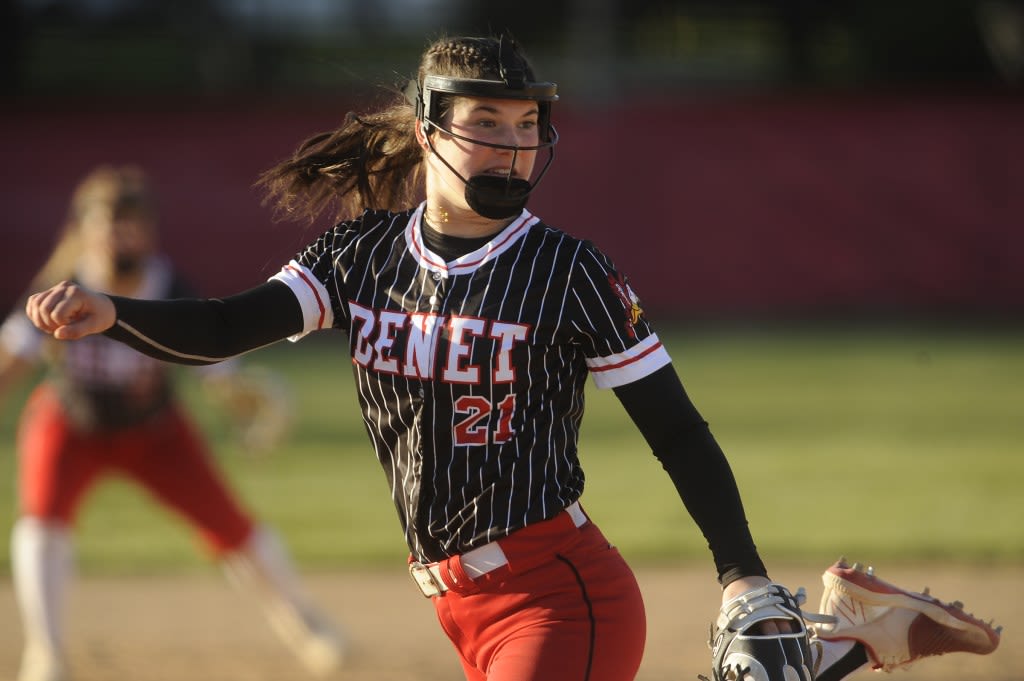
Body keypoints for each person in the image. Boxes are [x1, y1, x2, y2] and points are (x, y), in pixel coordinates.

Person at [20, 36, 1000, 681]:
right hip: (459, 606)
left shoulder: (568, 272)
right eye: (484, 125)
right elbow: (233, 325)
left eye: (526, 128)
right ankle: (839, 643)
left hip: (556, 590)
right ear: (426, 133)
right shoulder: (360, 254)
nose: (510, 148)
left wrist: (740, 572)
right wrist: (112, 312)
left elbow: (675, 429)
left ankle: (816, 640)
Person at [0, 165, 345, 681]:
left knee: (233, 528)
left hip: (153, 431)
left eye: (131, 222)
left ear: (150, 230)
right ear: (84, 229)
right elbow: (13, 359)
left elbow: (214, 365)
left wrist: (245, 401)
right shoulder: (62, 286)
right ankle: (45, 652)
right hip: (72, 424)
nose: (120, 233)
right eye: (108, 222)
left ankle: (304, 621)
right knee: (40, 524)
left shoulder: (168, 284)